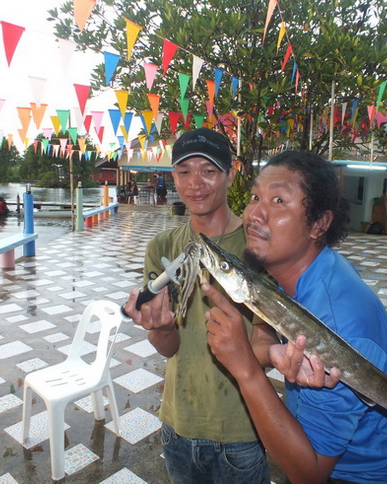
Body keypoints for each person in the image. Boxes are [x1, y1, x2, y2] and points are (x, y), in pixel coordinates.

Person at [203, 150, 387, 484]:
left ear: (320, 223)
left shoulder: (337, 323)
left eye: (279, 200)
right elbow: (269, 326)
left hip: (371, 476)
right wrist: (266, 353)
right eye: (254, 197)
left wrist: (246, 370)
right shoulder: (308, 270)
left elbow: (307, 473)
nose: (254, 213)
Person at [123, 127, 270, 484]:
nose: (195, 183)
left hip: (243, 433)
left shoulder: (259, 248)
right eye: (184, 171)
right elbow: (169, 347)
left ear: (230, 174)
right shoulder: (162, 247)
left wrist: (246, 351)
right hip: (178, 426)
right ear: (172, 175)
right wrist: (160, 327)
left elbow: (266, 347)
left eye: (208, 170)